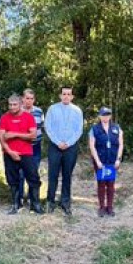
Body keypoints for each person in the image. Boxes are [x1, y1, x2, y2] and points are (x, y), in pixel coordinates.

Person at [0, 94, 42, 215]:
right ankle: (15, 204)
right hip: (9, 153)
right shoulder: (4, 117)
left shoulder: (28, 117)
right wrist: (10, 152)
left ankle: (35, 205)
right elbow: (1, 137)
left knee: (33, 178)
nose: (12, 107)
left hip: (26, 153)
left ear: (20, 104)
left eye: (15, 104)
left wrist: (15, 134)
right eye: (10, 104)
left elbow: (33, 135)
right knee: (12, 180)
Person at [44, 86, 84, 216]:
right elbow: (48, 127)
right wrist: (58, 142)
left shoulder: (77, 111)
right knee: (53, 175)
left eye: (68, 94)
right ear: (60, 96)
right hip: (55, 147)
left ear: (72, 97)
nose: (66, 96)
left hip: (70, 147)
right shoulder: (52, 109)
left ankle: (65, 202)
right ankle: (50, 201)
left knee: (67, 175)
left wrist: (68, 143)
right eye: (64, 94)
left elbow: (79, 130)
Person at [88, 107, 123, 217]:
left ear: (110, 116)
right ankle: (102, 207)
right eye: (103, 115)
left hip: (112, 161)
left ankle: (110, 207)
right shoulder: (94, 129)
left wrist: (118, 159)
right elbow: (92, 146)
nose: (105, 117)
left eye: (108, 114)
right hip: (100, 161)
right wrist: (97, 161)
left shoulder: (117, 128)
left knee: (111, 184)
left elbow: (121, 144)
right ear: (99, 116)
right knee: (101, 184)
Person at [20, 88, 44, 207]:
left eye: (31, 98)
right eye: (27, 98)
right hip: (21, 147)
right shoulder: (17, 111)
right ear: (22, 99)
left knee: (33, 173)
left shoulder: (39, 112)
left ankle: (31, 198)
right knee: (20, 173)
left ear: (34, 100)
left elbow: (42, 127)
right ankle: (19, 197)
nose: (29, 101)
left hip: (35, 147)